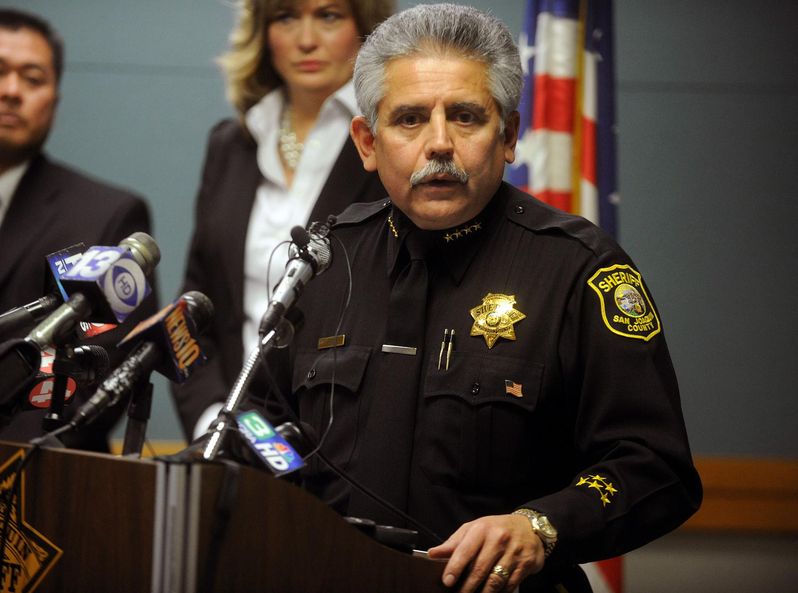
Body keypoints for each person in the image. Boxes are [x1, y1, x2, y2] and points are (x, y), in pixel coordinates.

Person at [250, 4, 703, 593]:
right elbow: (260, 422)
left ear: (509, 135)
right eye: (409, 120)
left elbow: (655, 466)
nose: (439, 144)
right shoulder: (327, 259)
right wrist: (298, 505)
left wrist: (539, 526)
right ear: (367, 141)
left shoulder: (580, 270)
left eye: (465, 117)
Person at [0, 8, 154, 451]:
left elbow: (105, 375)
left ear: (55, 98)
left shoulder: (108, 215)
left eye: (32, 78)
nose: (11, 92)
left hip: (35, 477)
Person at [171, 0, 393, 441]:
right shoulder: (231, 143)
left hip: (343, 439)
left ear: (365, 29)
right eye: (286, 17)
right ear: (262, 32)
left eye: (329, 16)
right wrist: (210, 420)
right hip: (228, 430)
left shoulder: (390, 142)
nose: (306, 39)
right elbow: (194, 306)